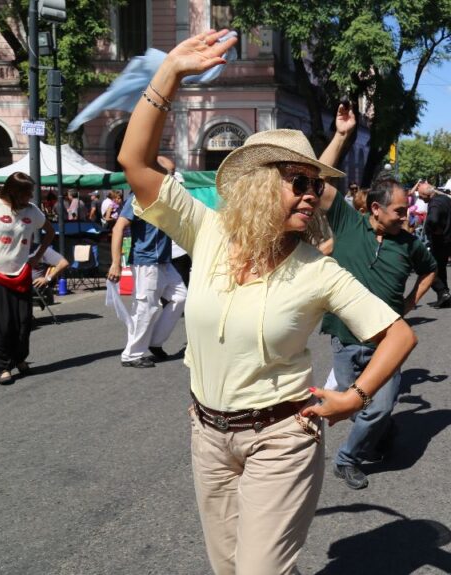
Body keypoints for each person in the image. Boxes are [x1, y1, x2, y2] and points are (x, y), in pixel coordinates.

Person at [119, 30, 416, 575]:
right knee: (230, 568)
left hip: (282, 438)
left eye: (316, 184)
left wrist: (354, 397)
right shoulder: (205, 231)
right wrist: (170, 73)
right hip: (207, 435)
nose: (311, 192)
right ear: (257, 187)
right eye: (298, 181)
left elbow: (398, 334)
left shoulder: (318, 270)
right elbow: (134, 162)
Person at [318, 170, 436, 491]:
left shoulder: (410, 244)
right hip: (344, 339)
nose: (406, 215)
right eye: (399, 210)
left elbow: (430, 270)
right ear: (375, 209)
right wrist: (340, 138)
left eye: (407, 208)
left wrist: (409, 303)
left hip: (387, 343)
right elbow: (319, 184)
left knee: (378, 406)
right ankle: (382, 432)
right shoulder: (347, 224)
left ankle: (346, 460)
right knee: (353, 407)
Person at [107, 169, 188, 368]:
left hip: (164, 261)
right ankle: (132, 354)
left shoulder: (166, 200)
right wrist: (115, 263)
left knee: (181, 297)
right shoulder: (140, 197)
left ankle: (154, 342)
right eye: (168, 176)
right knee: (145, 307)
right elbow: (118, 228)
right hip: (146, 261)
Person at [0, 172, 55, 384]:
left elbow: (50, 232)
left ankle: (20, 359)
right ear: (13, 191)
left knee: (23, 321)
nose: (30, 197)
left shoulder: (32, 210)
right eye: (26, 193)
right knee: (1, 323)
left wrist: (37, 257)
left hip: (21, 272)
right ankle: (4, 367)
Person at [417, 181, 451, 308]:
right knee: (440, 268)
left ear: (427, 194)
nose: (420, 198)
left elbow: (433, 219)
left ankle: (442, 292)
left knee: (428, 268)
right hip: (448, 239)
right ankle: (444, 297)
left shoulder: (434, 204)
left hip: (440, 240)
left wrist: (433, 229)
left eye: (420, 195)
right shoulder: (445, 199)